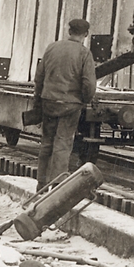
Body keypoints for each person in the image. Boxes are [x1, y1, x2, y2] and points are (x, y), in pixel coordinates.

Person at [32, 18, 97, 189]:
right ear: (86, 34)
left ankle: (41, 184)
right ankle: (57, 186)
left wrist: (39, 99)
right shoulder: (84, 54)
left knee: (47, 142)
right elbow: (89, 84)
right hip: (70, 105)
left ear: (69, 31)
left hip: (49, 102)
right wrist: (84, 100)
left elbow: (39, 77)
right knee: (62, 144)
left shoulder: (52, 48)